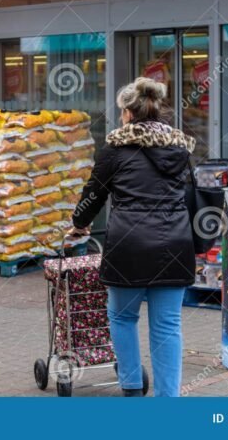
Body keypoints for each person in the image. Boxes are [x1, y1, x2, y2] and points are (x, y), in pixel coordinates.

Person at [71, 77, 196, 397]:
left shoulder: (115, 150)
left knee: (122, 317)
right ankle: (168, 400)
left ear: (127, 112)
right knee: (167, 326)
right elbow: (190, 195)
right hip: (175, 244)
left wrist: (79, 224)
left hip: (129, 246)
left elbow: (93, 195)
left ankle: (131, 387)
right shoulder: (180, 149)